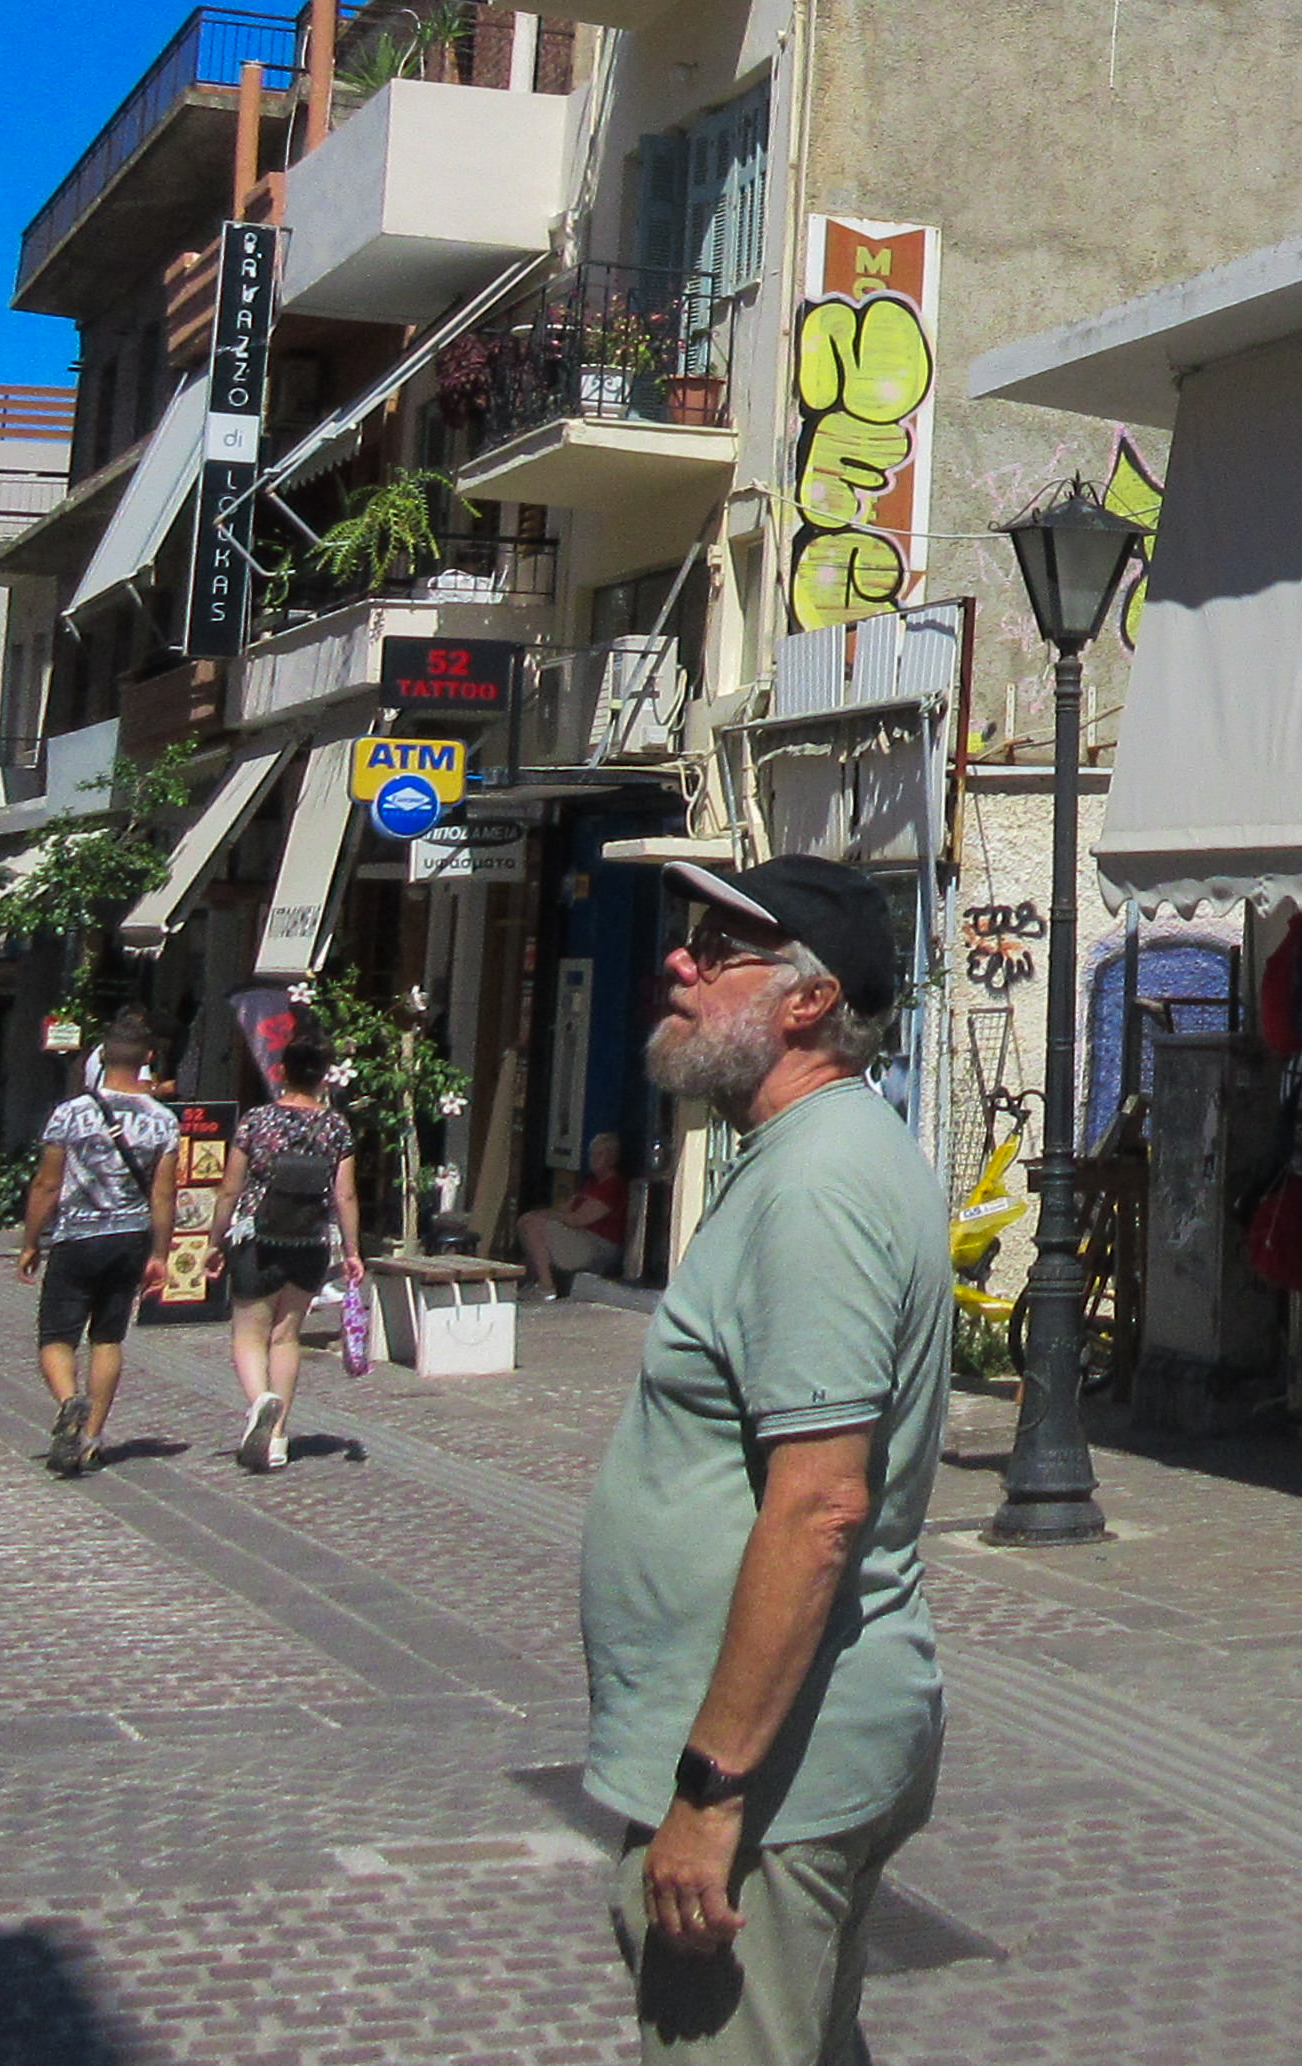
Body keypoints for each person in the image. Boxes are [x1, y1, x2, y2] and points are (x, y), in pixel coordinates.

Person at [580, 849, 946, 2066]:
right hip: (780, 1754)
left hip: (772, 1773)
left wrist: (710, 1785)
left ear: (809, 999)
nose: (678, 964)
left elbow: (821, 1505)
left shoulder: (818, 1184)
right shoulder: (802, 1156)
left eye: (718, 950)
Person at [14, 1025, 182, 1477]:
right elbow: (164, 1195)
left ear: (102, 1056)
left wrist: (31, 1241)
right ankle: (90, 1438)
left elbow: (47, 1183)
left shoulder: (70, 1113)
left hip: (76, 1237)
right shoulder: (164, 1120)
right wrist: (160, 1253)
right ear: (147, 1058)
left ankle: (70, 1401)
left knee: (56, 1337)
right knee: (108, 1338)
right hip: (130, 1239)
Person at [225, 1030, 360, 1471]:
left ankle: (260, 1400)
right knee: (286, 1336)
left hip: (256, 1237)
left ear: (281, 1071)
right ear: (324, 1077)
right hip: (309, 1240)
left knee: (249, 1334)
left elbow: (230, 1188)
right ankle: (279, 1437)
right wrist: (352, 1251)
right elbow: (345, 1194)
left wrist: (212, 1240)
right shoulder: (336, 1126)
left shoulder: (256, 1121)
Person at [522, 1133, 632, 1298]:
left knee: (534, 1226)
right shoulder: (591, 1182)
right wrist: (539, 1214)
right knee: (526, 1221)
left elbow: (577, 1220)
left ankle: (546, 1286)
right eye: (592, 1154)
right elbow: (563, 1209)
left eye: (600, 1154)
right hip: (582, 1237)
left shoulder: (613, 1186)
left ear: (612, 1157)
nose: (593, 1159)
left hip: (599, 1245)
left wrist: (544, 1216)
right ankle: (535, 1279)